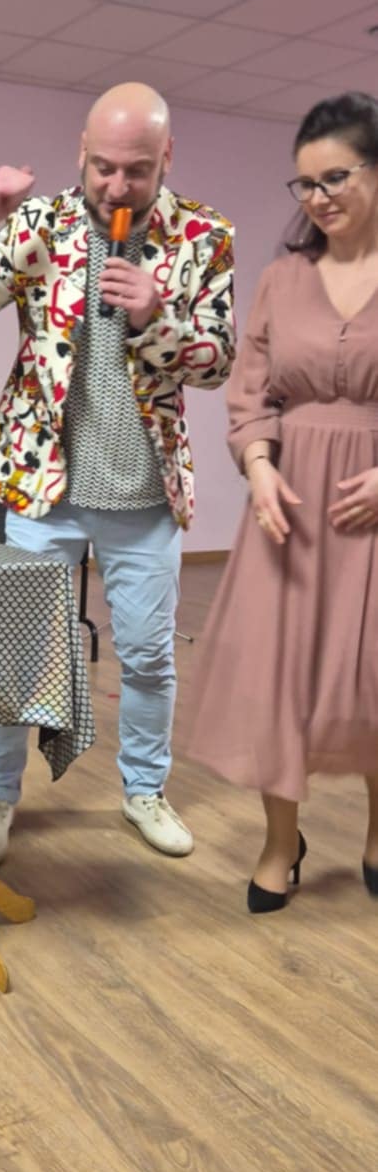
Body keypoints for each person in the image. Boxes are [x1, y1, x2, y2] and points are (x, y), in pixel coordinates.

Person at [0, 82, 235, 865]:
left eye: (136, 170)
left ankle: (144, 791)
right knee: (13, 655)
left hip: (144, 495)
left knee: (148, 657)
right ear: (80, 153)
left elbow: (217, 362)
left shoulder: (204, 235)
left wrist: (154, 316)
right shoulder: (40, 224)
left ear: (166, 158)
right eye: (103, 168)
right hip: (40, 488)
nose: (116, 187)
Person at [184, 91, 378, 913]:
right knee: (280, 679)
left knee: (371, 675)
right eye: (304, 183)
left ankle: (377, 835)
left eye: (335, 177)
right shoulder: (280, 278)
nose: (318, 197)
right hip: (288, 505)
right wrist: (258, 467)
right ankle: (279, 842)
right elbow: (249, 390)